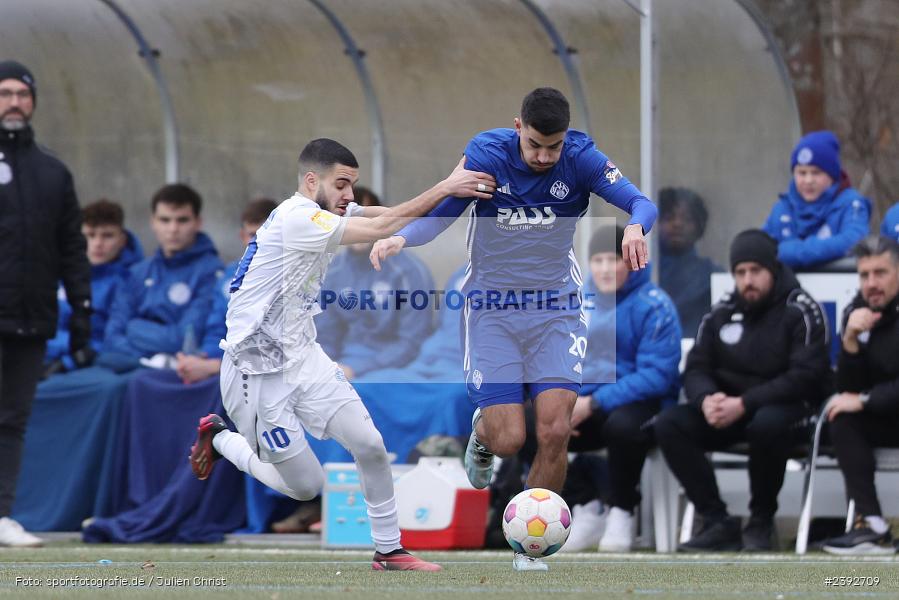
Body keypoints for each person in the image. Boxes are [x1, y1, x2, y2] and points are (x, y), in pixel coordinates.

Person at [369, 88, 655, 570]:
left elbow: (640, 202)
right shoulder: (485, 155)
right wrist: (401, 236)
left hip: (556, 310)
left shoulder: (582, 158)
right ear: (517, 127)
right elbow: (442, 216)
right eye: (536, 145)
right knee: (509, 440)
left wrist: (633, 227)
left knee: (556, 428)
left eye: (554, 146)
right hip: (492, 310)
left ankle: (530, 546)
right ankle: (482, 434)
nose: (545, 157)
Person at [188, 138, 495, 571]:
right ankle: (221, 439)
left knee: (369, 444)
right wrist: (447, 186)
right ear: (312, 181)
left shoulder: (324, 210)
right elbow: (379, 228)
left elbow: (385, 216)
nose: (349, 195)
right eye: (342, 184)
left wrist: (449, 186)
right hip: (254, 370)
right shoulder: (298, 218)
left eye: (352, 184)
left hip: (303, 356)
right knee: (305, 487)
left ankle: (389, 550)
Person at [654, 229, 831, 552]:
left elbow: (806, 376)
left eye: (755, 271)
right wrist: (707, 399)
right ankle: (717, 519)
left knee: (766, 423)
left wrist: (745, 403)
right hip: (730, 410)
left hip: (787, 410)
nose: (748, 280)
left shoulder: (802, 309)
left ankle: (762, 520)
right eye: (740, 272)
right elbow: (695, 367)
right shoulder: (721, 312)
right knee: (669, 423)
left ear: (772, 270)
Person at [523, 224, 681, 552]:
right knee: (526, 423)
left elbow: (657, 376)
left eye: (615, 260)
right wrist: (564, 402)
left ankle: (622, 509)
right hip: (582, 403)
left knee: (623, 426)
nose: (606, 269)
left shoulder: (655, 305)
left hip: (640, 403)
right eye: (598, 260)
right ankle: (585, 504)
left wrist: (593, 403)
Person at [0, 60, 93, 547]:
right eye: (5, 93)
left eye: (22, 93)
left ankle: (2, 514)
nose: (14, 102)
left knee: (12, 419)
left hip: (31, 319)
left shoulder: (53, 172)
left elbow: (72, 250)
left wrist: (81, 310)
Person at [821, 236, 899, 555]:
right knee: (842, 417)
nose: (872, 283)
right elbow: (848, 390)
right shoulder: (857, 311)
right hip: (887, 416)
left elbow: (861, 396)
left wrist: (866, 400)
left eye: (881, 273)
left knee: (853, 407)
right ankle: (871, 526)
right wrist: (850, 341)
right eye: (864, 275)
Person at [317, 186, 434, 381]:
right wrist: (327, 367)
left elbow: (412, 342)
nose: (361, 227)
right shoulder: (332, 272)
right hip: (342, 365)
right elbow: (326, 335)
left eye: (368, 220)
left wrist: (357, 369)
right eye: (353, 220)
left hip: (394, 369)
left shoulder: (408, 272)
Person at [101, 183, 223, 370]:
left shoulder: (212, 273)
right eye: (165, 220)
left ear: (198, 223)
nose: (173, 229)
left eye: (182, 220)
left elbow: (184, 340)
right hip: (134, 364)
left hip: (179, 371)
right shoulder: (138, 272)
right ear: (153, 222)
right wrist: (146, 359)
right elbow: (112, 335)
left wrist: (134, 328)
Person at [175, 198, 278, 385]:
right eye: (253, 234)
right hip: (224, 363)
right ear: (242, 236)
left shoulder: (291, 275)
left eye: (267, 234)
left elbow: (276, 341)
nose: (259, 241)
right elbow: (216, 328)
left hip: (265, 372)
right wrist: (204, 358)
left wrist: (215, 366)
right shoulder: (229, 276)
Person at [44, 199, 142, 377]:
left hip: (92, 364)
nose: (98, 244)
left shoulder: (129, 280)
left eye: (107, 236)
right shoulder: (57, 273)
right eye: (90, 235)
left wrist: (71, 360)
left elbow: (113, 337)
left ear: (122, 240)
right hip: (41, 356)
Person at [762, 130, 870, 270]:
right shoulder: (782, 208)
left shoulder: (851, 203)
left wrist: (793, 252)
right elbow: (760, 248)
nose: (808, 180)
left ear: (832, 175)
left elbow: (855, 240)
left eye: (816, 173)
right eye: (802, 173)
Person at [657, 187, 722, 338]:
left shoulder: (711, 275)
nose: (677, 224)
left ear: (699, 226)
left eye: (687, 219)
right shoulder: (638, 273)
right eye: (668, 217)